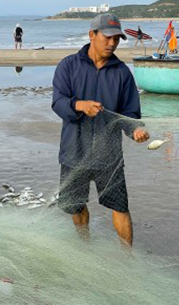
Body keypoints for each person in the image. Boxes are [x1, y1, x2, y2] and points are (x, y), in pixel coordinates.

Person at [52, 13, 150, 247]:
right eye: (107, 37)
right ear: (91, 35)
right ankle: (85, 246)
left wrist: (135, 130)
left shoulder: (122, 73)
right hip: (74, 153)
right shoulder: (68, 66)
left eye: (117, 39)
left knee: (120, 206)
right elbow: (58, 103)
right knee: (76, 205)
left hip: (109, 157)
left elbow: (129, 114)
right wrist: (79, 105)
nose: (112, 43)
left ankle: (127, 258)